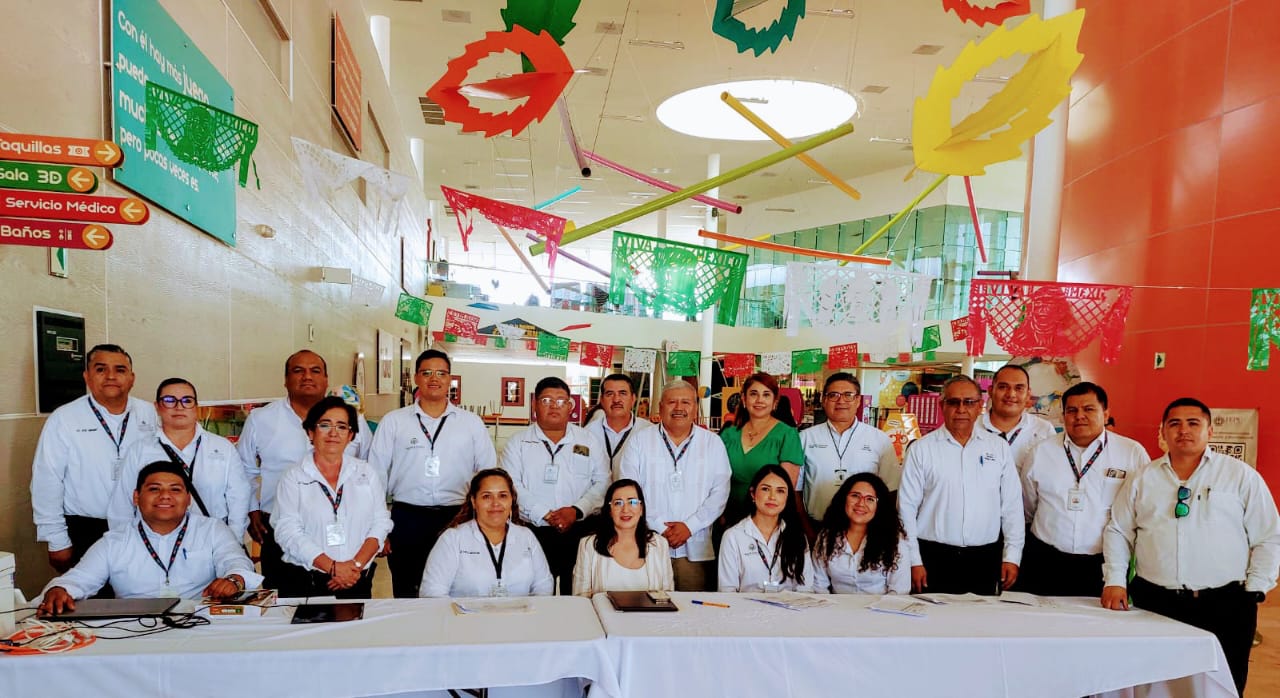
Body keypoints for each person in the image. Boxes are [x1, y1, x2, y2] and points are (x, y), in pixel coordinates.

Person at [1102, 398, 1280, 695]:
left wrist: (1255, 588)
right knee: (1156, 682)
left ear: (1210, 431)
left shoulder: (1239, 475)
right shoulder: (1143, 478)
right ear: (1163, 432)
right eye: (1174, 423)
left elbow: (1269, 535)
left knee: (1223, 683)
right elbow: (1119, 531)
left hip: (1225, 603)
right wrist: (1115, 580)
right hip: (1156, 601)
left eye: (1193, 423)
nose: (1183, 430)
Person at [39, 461, 262, 613]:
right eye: (154, 489)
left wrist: (234, 580)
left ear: (188, 499)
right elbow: (79, 578)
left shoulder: (212, 530)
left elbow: (236, 561)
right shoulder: (115, 541)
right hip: (133, 629)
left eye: (175, 489)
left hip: (199, 622)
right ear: (136, 497)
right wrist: (60, 590)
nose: (165, 496)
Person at [366, 349, 496, 598]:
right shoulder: (394, 421)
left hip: (456, 517)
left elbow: (487, 475)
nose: (434, 379)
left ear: (450, 379)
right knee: (407, 590)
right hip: (407, 518)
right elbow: (375, 475)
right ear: (416, 377)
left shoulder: (470, 423)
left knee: (458, 588)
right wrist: (378, 529)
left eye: (441, 373)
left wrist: (486, 522)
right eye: (427, 373)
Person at [237, 350, 371, 589]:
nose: (307, 376)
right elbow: (244, 469)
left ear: (326, 379)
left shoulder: (351, 419)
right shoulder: (261, 419)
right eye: (298, 371)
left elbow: (370, 469)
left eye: (315, 371)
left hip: (344, 530)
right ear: (285, 379)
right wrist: (252, 510)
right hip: (280, 527)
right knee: (286, 602)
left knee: (346, 604)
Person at [31, 344, 159, 575]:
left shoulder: (150, 414)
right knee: (92, 595)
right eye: (101, 369)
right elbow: (47, 480)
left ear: (132, 378)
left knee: (142, 592)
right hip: (85, 529)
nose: (111, 376)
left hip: (142, 525)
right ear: (87, 377)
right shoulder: (64, 418)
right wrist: (56, 538)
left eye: (120, 370)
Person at [1019, 382, 1149, 596]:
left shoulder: (1131, 453)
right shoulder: (1041, 452)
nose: (1079, 416)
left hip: (1102, 565)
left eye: (1088, 409)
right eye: (1072, 410)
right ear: (1063, 416)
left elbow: (1140, 510)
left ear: (1105, 414)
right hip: (1044, 560)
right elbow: (1028, 506)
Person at [899, 375, 1023, 595]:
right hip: (932, 557)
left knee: (980, 617)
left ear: (980, 406)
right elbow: (906, 509)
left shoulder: (998, 447)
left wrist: (1012, 556)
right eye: (953, 402)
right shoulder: (921, 449)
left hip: (984, 558)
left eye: (969, 402)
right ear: (942, 406)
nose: (961, 409)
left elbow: (1012, 507)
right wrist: (913, 560)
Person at [272, 397, 391, 599]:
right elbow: (288, 530)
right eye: (325, 425)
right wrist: (333, 567)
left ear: (350, 435)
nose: (333, 433)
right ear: (310, 432)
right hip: (308, 581)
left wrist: (354, 566)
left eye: (342, 427)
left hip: (357, 578)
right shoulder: (293, 477)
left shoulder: (365, 473)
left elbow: (380, 522)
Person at [619, 379, 731, 591]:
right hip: (649, 543)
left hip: (695, 547)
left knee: (693, 607)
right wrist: (660, 527)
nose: (679, 408)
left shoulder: (712, 443)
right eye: (672, 402)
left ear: (695, 408)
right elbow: (629, 492)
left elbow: (720, 493)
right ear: (660, 407)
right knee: (647, 604)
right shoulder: (639, 442)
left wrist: (690, 526)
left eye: (686, 402)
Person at [502, 376, 609, 595]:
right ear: (535, 404)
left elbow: (603, 481)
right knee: (536, 594)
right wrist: (545, 514)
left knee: (579, 595)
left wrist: (576, 510)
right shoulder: (517, 443)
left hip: (579, 531)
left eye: (561, 401)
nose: (554, 406)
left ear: (570, 406)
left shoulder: (589, 441)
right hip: (533, 532)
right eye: (546, 400)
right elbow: (511, 486)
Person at [109, 378, 251, 541]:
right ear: (157, 407)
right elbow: (122, 505)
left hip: (211, 541)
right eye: (169, 400)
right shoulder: (139, 450)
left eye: (187, 400)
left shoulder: (223, 447)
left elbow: (239, 499)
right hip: (156, 542)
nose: (179, 406)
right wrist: (126, 545)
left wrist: (231, 542)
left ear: (196, 406)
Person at [420, 469, 553, 597]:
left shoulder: (526, 536)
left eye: (502, 496)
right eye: (486, 496)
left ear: (511, 500)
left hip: (521, 613)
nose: (495, 503)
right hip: (464, 614)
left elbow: (543, 586)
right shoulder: (452, 539)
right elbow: (432, 592)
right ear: (474, 501)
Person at [800, 373, 899, 528]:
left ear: (858, 400)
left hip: (864, 528)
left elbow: (891, 489)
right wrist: (806, 529)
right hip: (817, 526)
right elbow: (796, 489)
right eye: (833, 395)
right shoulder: (805, 438)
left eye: (848, 395)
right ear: (824, 400)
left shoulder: (879, 440)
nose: (841, 401)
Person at [718, 373, 804, 524]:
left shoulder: (787, 435)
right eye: (753, 394)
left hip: (767, 519)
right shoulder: (729, 434)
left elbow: (785, 487)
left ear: (775, 401)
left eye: (766, 395)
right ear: (744, 399)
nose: (759, 400)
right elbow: (715, 478)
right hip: (727, 517)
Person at [811, 473, 911, 594]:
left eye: (870, 499)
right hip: (835, 605)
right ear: (844, 498)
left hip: (883, 605)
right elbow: (819, 585)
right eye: (855, 496)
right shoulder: (826, 537)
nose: (861, 503)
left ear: (879, 506)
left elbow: (899, 590)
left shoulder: (895, 541)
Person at [718, 464, 812, 592]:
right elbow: (727, 590)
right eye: (766, 489)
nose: (772, 497)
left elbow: (806, 588)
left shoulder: (798, 537)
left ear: (787, 497)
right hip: (744, 604)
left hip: (790, 604)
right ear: (753, 493)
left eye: (780, 491)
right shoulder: (733, 537)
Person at [572, 479, 673, 596]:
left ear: (641, 509)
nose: (625, 509)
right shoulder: (588, 545)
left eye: (632, 502)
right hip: (602, 609)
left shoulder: (659, 544)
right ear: (610, 511)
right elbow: (581, 598)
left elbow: (668, 596)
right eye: (618, 503)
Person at [979, 364, 1056, 473]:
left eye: (1019, 388)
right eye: (1003, 387)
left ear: (1028, 394)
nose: (1011, 394)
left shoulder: (1043, 430)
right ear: (991, 391)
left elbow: (1052, 473)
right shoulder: (972, 427)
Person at [594, 374, 652, 476]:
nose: (616, 400)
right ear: (602, 400)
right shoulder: (589, 433)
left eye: (623, 393)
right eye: (610, 394)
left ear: (633, 399)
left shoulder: (649, 432)